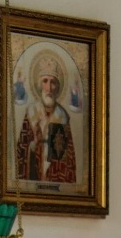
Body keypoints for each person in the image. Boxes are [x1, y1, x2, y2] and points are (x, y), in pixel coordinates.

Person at [14, 52, 78, 184]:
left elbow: (69, 160)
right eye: (45, 81)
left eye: (52, 82)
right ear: (39, 84)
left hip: (55, 179)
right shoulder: (31, 113)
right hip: (34, 175)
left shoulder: (63, 117)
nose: (49, 88)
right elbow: (21, 152)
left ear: (57, 87)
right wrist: (33, 145)